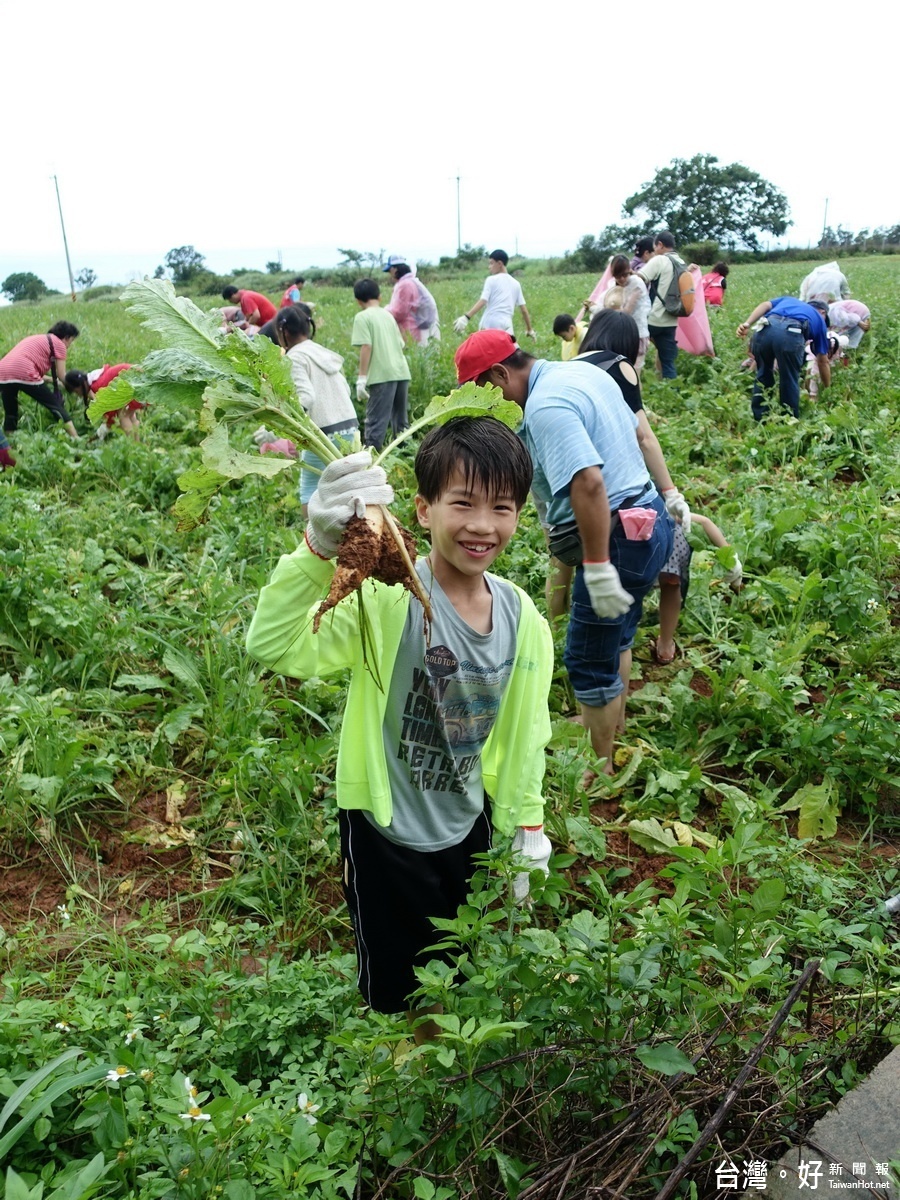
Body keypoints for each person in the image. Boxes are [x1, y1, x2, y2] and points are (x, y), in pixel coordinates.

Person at [245, 417, 553, 1033]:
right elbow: (273, 644)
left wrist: (527, 825)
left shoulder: (525, 621)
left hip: (470, 825)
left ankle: (446, 1068)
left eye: (503, 508)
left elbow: (526, 739)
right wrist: (318, 550)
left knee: (460, 967)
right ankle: (406, 1071)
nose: (482, 525)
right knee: (399, 990)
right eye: (462, 503)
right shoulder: (384, 600)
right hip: (385, 832)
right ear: (423, 508)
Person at [455, 329, 676, 777]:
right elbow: (634, 434)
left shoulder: (545, 406)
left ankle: (601, 768)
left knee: (587, 658)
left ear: (500, 373)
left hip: (614, 534)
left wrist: (596, 567)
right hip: (648, 518)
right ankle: (611, 724)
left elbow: (589, 483)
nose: (488, 408)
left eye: (485, 393)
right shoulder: (580, 372)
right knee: (619, 638)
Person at [540, 309, 690, 622]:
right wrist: (671, 491)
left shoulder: (568, 369)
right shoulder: (618, 366)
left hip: (562, 471)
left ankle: (552, 628)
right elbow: (644, 437)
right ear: (627, 342)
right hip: (605, 480)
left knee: (562, 556)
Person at [267, 305, 359, 513]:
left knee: (310, 488)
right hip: (350, 429)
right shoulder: (324, 353)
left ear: (285, 332)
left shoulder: (295, 357)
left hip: (324, 434)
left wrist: (277, 424)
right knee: (346, 487)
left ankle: (311, 541)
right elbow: (345, 389)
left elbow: (305, 397)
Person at [654, 513, 742, 664]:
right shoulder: (661, 504)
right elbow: (703, 521)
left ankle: (620, 638)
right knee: (671, 582)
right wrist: (731, 559)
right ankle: (665, 646)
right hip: (666, 549)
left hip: (626, 544)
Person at [737, 297, 832, 420]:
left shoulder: (789, 300)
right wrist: (827, 387)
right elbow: (822, 361)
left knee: (763, 374)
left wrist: (747, 323)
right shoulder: (820, 320)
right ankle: (788, 421)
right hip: (791, 334)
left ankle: (760, 419)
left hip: (764, 329)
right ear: (823, 312)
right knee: (789, 378)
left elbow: (765, 304)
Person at [351, 278, 411, 450]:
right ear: (380, 296)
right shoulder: (388, 315)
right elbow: (401, 344)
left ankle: (371, 460)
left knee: (376, 422)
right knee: (401, 423)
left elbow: (366, 345)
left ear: (358, 301)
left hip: (381, 375)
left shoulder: (362, 317)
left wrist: (362, 378)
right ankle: (406, 456)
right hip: (401, 371)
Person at [0, 322, 80, 440]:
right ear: (66, 337)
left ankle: (10, 445)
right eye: (71, 341)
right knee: (55, 406)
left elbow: (21, 371)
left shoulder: (37, 339)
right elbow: (62, 375)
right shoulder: (59, 344)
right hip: (23, 370)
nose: (69, 345)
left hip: (3, 372)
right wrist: (76, 389)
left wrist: (54, 381)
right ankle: (77, 439)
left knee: (11, 413)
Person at [637, 232, 688, 380]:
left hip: (653, 318)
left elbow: (639, 279)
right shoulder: (681, 263)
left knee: (632, 352)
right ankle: (671, 394)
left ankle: (634, 385)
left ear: (660, 245)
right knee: (668, 363)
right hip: (671, 319)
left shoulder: (659, 260)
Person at [453, 250, 536, 340]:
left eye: (491, 263)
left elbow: (483, 301)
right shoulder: (516, 284)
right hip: (507, 325)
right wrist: (529, 329)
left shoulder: (491, 280)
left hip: (489, 323)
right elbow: (523, 310)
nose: (489, 267)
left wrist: (466, 317)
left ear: (499, 263)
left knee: (486, 351)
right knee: (509, 352)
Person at [64, 364, 144, 440]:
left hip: (133, 382)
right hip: (136, 376)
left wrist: (103, 430)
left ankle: (133, 446)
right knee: (130, 415)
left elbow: (110, 413)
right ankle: (138, 445)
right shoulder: (94, 377)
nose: (78, 395)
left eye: (75, 391)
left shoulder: (97, 387)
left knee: (123, 415)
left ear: (78, 386)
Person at [383, 255, 440, 346]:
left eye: (390, 271)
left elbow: (399, 312)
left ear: (395, 270)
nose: (390, 275)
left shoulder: (405, 285)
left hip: (414, 331)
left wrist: (384, 311)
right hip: (423, 327)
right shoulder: (411, 281)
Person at [607, 255, 651, 373]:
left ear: (629, 271)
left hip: (637, 333)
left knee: (634, 373)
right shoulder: (612, 284)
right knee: (623, 372)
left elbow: (626, 312)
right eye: (617, 276)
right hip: (621, 335)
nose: (621, 279)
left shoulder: (636, 283)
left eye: (624, 275)